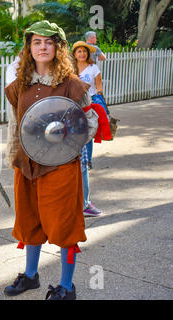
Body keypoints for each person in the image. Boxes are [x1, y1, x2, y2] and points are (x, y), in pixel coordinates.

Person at [3, 20, 98, 300]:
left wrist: (67, 147)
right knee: (29, 221)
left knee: (65, 225)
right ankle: (31, 276)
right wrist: (13, 157)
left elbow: (89, 123)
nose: (42, 47)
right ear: (29, 48)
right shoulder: (19, 85)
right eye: (36, 42)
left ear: (58, 48)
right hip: (27, 165)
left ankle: (66, 287)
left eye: (48, 42)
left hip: (61, 167)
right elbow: (14, 125)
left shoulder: (73, 85)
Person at [71, 40, 111, 217]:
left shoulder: (93, 69)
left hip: (88, 110)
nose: (81, 54)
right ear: (74, 54)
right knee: (74, 160)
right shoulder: (69, 70)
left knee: (84, 159)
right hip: (72, 113)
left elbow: (99, 87)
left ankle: (84, 202)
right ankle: (79, 202)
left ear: (88, 53)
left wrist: (100, 105)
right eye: (78, 51)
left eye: (84, 51)